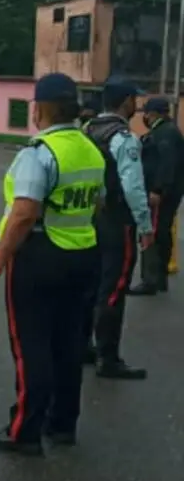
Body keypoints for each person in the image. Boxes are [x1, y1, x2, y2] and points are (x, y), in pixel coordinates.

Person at [0, 73, 104, 456]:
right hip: (83, 255)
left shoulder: (39, 153)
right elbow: (97, 202)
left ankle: (25, 430)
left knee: (31, 344)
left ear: (41, 109)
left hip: (40, 256)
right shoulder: (90, 149)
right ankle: (62, 424)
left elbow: (24, 212)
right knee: (69, 344)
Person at [83, 77, 155, 379]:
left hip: (90, 219)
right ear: (125, 101)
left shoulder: (88, 131)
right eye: (134, 100)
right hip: (117, 221)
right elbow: (133, 186)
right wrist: (145, 225)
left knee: (92, 285)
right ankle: (108, 357)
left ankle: (85, 346)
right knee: (114, 289)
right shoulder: (124, 138)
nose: (137, 105)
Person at [129, 96, 184, 296]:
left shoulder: (165, 133)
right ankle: (158, 278)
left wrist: (158, 189)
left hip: (160, 195)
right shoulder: (166, 131)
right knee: (161, 231)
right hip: (168, 192)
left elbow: (167, 164)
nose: (145, 117)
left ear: (154, 114)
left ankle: (151, 280)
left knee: (152, 231)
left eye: (147, 113)